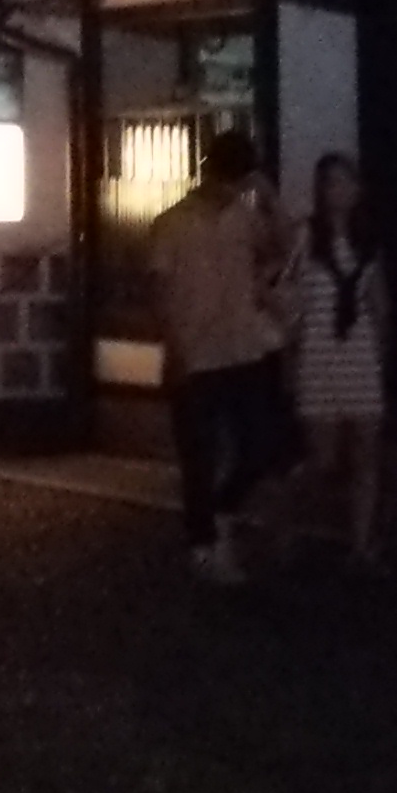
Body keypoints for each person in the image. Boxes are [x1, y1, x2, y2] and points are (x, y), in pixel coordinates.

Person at [145, 127, 295, 585]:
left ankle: (219, 515)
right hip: (197, 353)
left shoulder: (243, 218)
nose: (230, 188)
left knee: (260, 446)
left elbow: (285, 248)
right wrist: (173, 349)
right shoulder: (171, 223)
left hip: (242, 348)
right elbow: (160, 293)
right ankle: (204, 543)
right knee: (199, 456)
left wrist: (268, 197)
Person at [286, 153, 393, 574]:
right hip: (319, 354)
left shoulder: (368, 241)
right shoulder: (306, 236)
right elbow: (290, 297)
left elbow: (379, 303)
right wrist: (291, 356)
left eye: (347, 182)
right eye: (332, 182)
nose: (339, 190)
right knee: (324, 460)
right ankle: (292, 514)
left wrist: (381, 355)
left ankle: (362, 546)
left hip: (360, 355)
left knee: (366, 455)